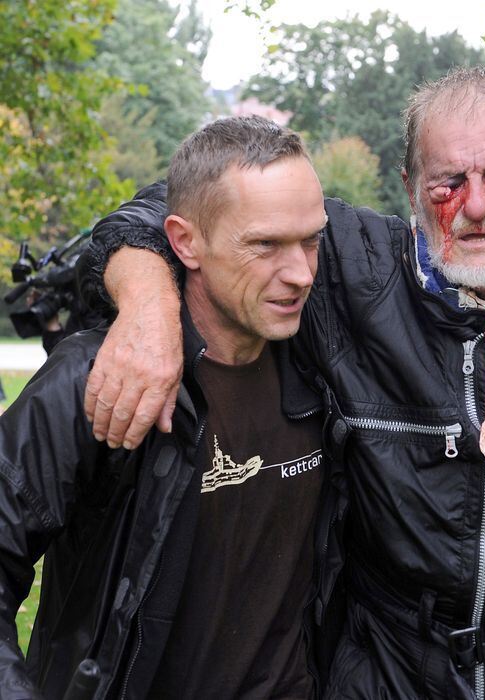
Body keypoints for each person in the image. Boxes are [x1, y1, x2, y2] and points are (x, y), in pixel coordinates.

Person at [79, 67, 485, 698]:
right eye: (447, 182)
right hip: (386, 668)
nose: (476, 206)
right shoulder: (352, 271)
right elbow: (166, 209)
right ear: (410, 187)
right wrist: (148, 307)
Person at [0, 115, 341, 697]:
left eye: (312, 240)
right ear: (185, 241)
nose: (301, 273)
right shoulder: (94, 377)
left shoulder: (328, 365)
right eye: (265, 245)